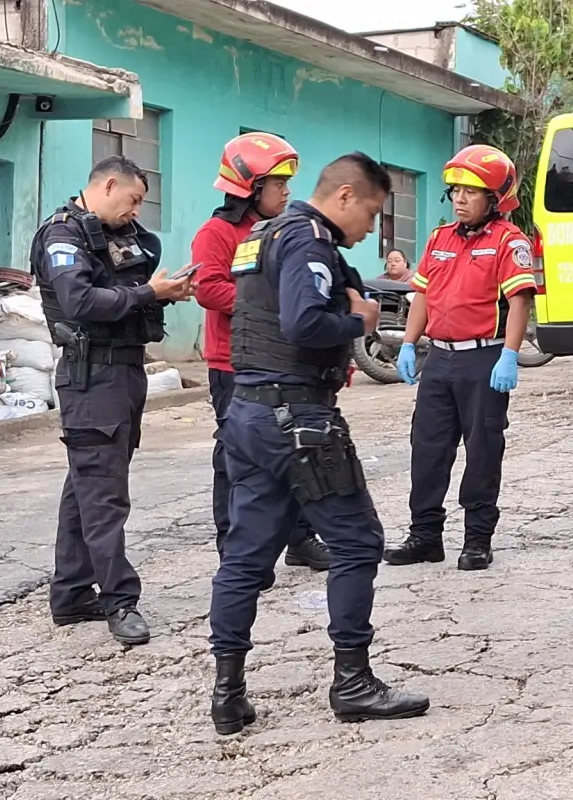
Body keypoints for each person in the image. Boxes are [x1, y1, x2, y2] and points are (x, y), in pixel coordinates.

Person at [207, 152, 430, 734]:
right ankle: (353, 682)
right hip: (298, 419)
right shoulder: (308, 240)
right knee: (358, 542)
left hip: (249, 414)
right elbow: (303, 323)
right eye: (372, 213)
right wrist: (361, 322)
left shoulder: (264, 235)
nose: (371, 229)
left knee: (245, 556)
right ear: (345, 195)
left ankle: (228, 693)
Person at [33, 156, 193, 645]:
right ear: (107, 186)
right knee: (104, 495)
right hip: (92, 376)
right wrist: (148, 293)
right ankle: (120, 600)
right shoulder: (63, 235)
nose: (136, 210)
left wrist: (163, 292)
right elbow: (80, 302)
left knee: (87, 486)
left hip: (123, 371)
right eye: (134, 199)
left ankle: (70, 594)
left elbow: (128, 285)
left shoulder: (116, 236)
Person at [383, 144, 536, 572]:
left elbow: (520, 302)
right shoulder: (440, 238)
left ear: (495, 198)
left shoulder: (509, 241)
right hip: (440, 360)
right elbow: (422, 295)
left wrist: (510, 354)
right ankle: (425, 536)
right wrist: (409, 344)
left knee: (483, 449)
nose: (460, 199)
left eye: (471, 191)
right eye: (456, 191)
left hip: (483, 360)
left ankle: (477, 539)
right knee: (427, 448)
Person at [192, 132, 330, 574]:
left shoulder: (282, 230)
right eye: (278, 184)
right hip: (234, 364)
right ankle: (235, 550)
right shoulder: (217, 233)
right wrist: (270, 304)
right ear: (250, 187)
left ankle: (300, 539)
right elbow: (208, 288)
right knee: (238, 459)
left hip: (283, 361)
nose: (287, 192)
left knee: (296, 449)